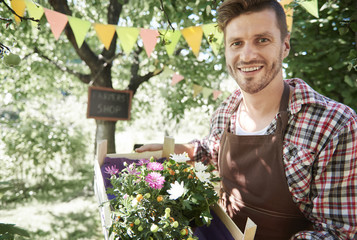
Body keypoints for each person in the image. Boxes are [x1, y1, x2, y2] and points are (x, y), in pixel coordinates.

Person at [136, 0, 357, 239]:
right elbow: (215, 148)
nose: (247, 54)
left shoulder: (335, 125)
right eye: (236, 43)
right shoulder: (225, 112)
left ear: (285, 45)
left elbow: (339, 233)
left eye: (262, 40)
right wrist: (183, 150)